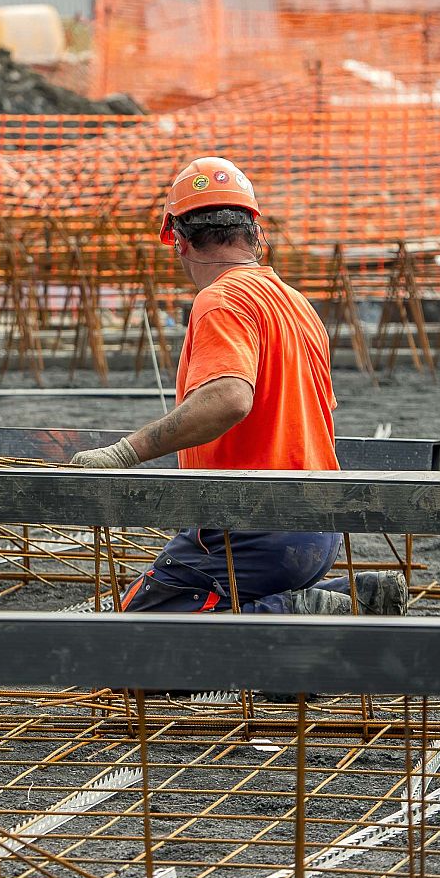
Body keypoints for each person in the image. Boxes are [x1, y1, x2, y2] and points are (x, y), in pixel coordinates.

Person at [70, 157, 407, 616]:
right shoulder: (296, 303)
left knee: (139, 633)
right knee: (187, 607)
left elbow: (228, 398)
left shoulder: (222, 298)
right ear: (255, 235)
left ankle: (300, 609)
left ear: (180, 242)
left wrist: (125, 453)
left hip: (253, 524)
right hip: (319, 526)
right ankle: (348, 595)